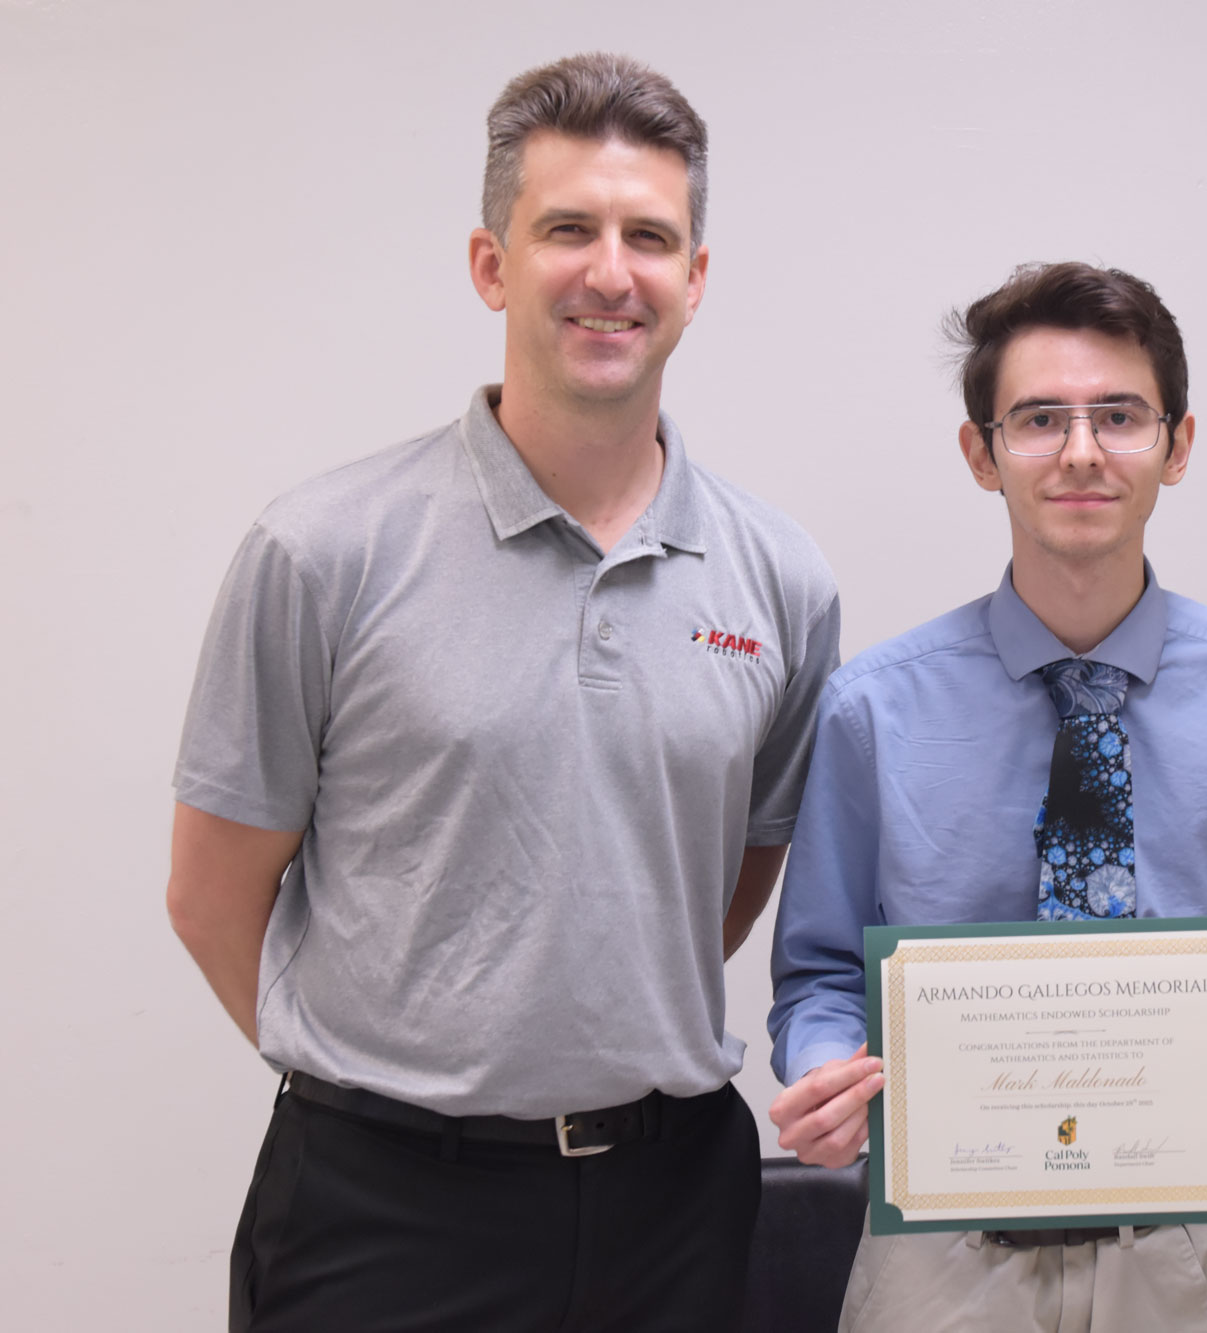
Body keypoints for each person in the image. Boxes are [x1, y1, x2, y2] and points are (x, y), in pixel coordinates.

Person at [165, 53, 839, 1332]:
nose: (608, 271)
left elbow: (727, 878)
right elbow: (210, 895)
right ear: (491, 264)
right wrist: (391, 1077)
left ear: (693, 281)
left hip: (675, 1201)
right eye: (566, 229)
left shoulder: (780, 579)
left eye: (649, 236)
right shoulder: (324, 550)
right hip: (384, 1212)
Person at [767, 261, 1207, 1333]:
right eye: (1040, 418)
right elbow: (819, 973)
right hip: (936, 1252)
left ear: (1175, 445)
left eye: (1119, 416)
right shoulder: (873, 707)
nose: (1082, 450)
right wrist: (824, 1072)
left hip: (1173, 1247)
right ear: (981, 453)